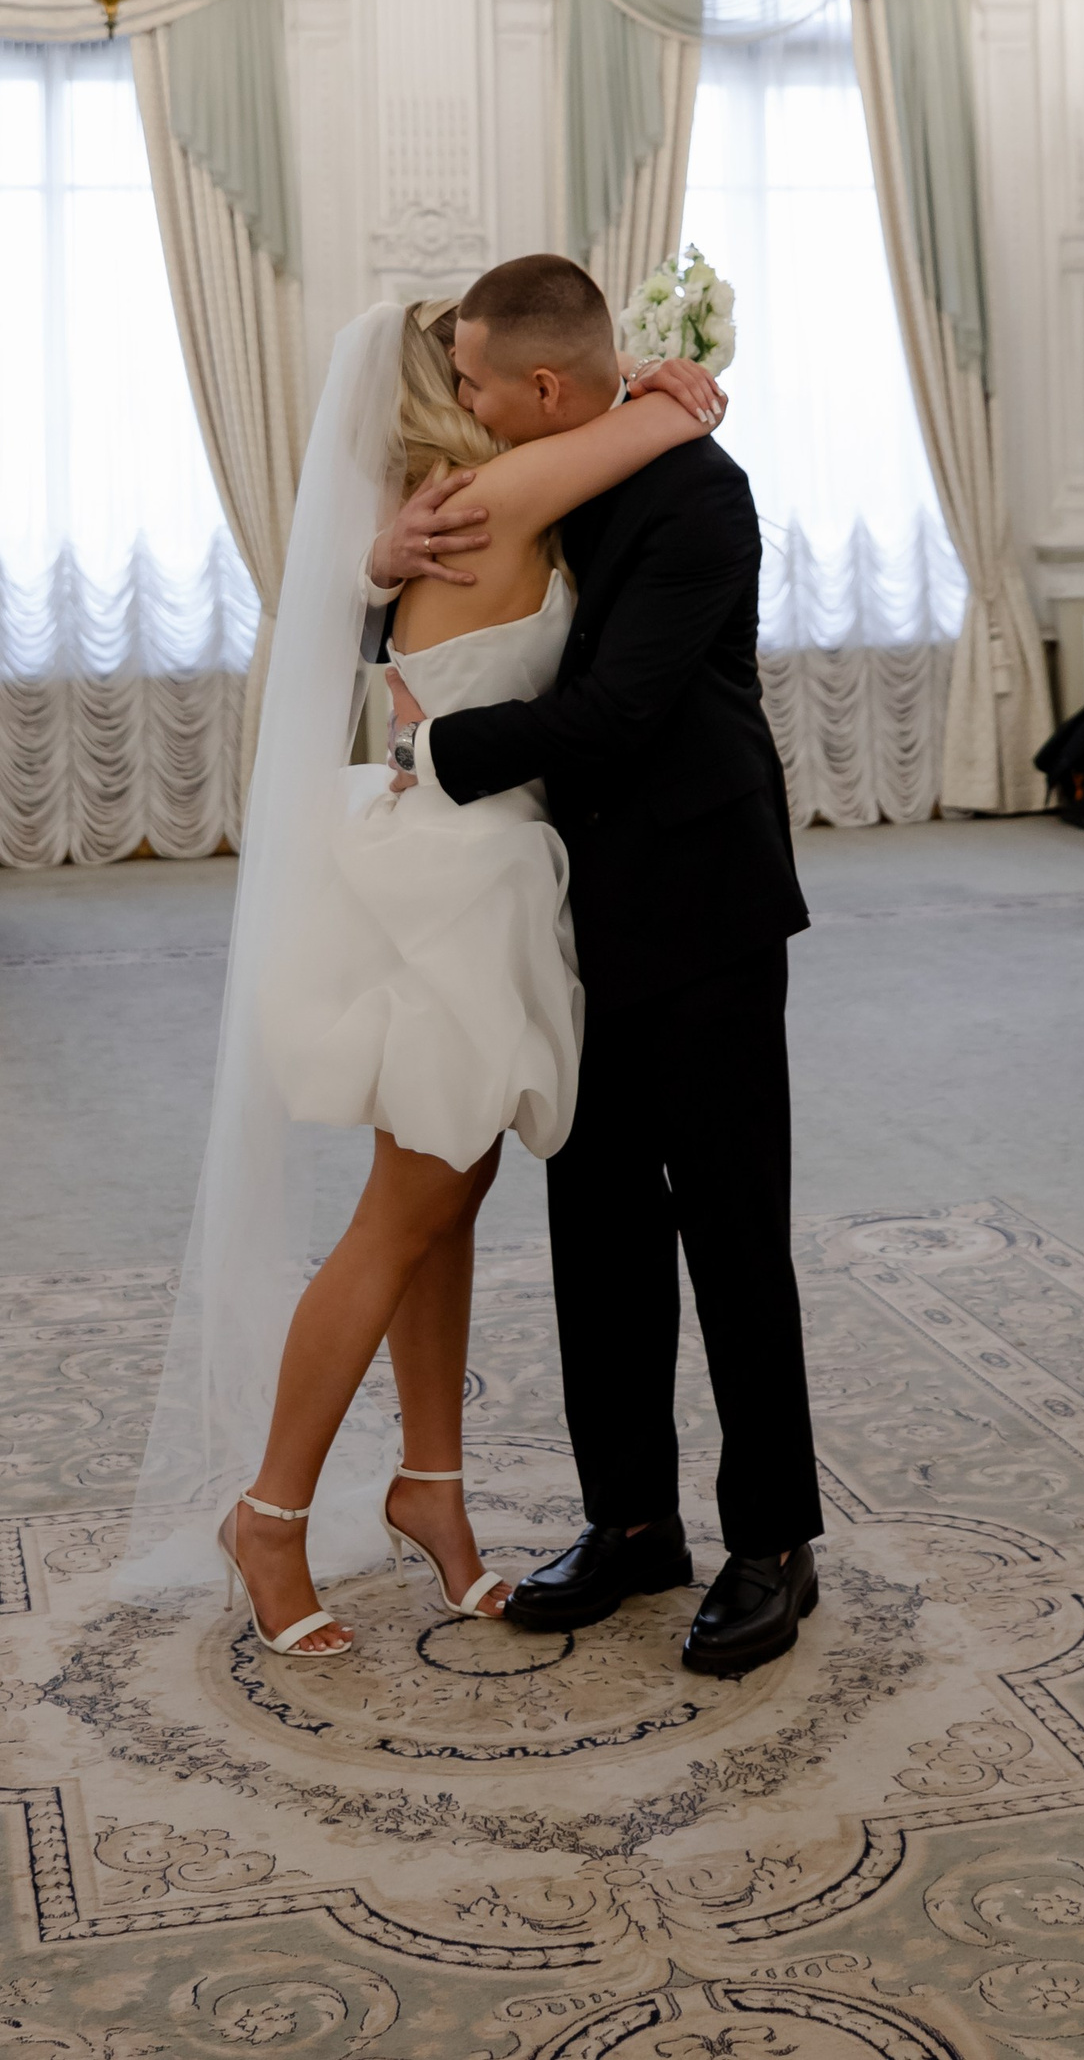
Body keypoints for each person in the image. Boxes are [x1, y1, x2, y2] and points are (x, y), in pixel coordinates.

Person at [120, 292, 725, 1660]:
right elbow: (663, 416)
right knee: (406, 1212)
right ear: (455, 390)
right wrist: (663, 379)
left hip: (464, 858)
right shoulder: (488, 497)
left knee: (448, 1198)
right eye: (467, 365)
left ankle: (431, 1493)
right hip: (454, 877)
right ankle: (269, 1512)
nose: (488, 380)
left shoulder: (434, 509)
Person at [387, 255, 824, 1680]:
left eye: (473, 377)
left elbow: (619, 709)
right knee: (599, 1226)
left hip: (700, 898)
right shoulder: (550, 476)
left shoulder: (699, 493)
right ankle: (633, 1517)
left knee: (731, 1225)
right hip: (571, 905)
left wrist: (430, 753)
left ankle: (772, 1540)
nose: (460, 398)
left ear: (546, 387)